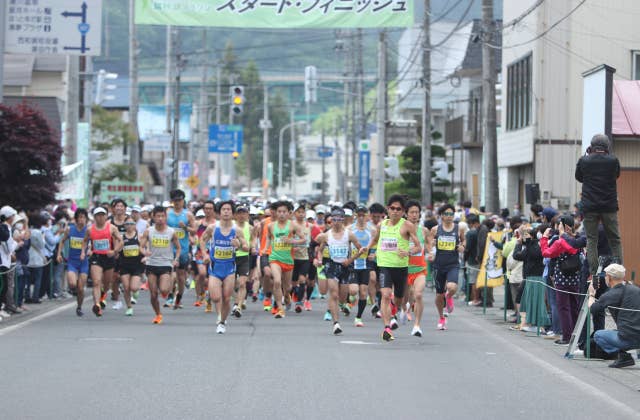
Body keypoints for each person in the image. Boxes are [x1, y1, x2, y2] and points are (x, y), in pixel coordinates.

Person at [367, 195, 420, 341]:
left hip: (401, 267)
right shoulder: (382, 225)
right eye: (392, 208)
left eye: (398, 209)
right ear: (388, 209)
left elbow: (418, 246)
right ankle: (387, 328)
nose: (395, 211)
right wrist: (367, 248)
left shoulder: (407, 225)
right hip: (385, 265)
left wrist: (408, 252)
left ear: (403, 211)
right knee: (385, 294)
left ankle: (393, 308)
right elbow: (376, 239)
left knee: (398, 300)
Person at [575, 134, 623, 280]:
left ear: (592, 145)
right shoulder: (613, 160)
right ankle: (618, 269)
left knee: (591, 239)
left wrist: (586, 155)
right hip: (609, 206)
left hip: (590, 206)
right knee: (614, 239)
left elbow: (579, 177)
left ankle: (594, 272)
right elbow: (617, 175)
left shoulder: (584, 160)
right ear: (607, 146)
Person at [314, 208, 366, 335]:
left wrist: (350, 260)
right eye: (334, 219)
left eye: (339, 219)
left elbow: (361, 249)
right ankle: (336, 323)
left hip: (345, 267)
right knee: (334, 294)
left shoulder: (349, 234)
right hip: (331, 266)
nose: (336, 222)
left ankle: (342, 305)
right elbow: (320, 249)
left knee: (342, 298)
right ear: (331, 220)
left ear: (343, 220)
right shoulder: (326, 235)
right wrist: (319, 259)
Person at [201, 201, 248, 333]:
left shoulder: (236, 230)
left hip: (230, 269)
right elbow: (202, 240)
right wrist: (204, 254)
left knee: (227, 297)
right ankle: (220, 316)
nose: (226, 211)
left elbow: (246, 246)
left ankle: (222, 322)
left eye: (228, 209)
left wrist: (238, 244)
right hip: (215, 268)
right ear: (219, 212)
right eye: (223, 209)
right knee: (216, 297)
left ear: (232, 213)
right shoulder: (212, 228)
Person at [540, 215, 586, 345]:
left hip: (562, 278)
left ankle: (567, 336)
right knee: (575, 307)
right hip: (576, 278)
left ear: (564, 226)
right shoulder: (577, 239)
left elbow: (546, 253)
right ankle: (578, 336)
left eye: (559, 224)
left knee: (563, 308)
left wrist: (544, 238)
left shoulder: (560, 241)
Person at [590, 264, 640, 368]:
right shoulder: (636, 289)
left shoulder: (611, 294)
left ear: (609, 277)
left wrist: (591, 294)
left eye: (605, 276)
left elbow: (593, 309)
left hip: (628, 338)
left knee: (598, 335)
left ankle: (623, 356)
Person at [139, 206, 181, 324]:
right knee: (153, 294)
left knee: (164, 290)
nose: (160, 219)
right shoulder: (149, 231)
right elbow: (141, 246)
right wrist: (144, 253)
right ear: (153, 217)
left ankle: (172, 285)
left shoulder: (171, 232)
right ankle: (158, 314)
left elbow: (178, 248)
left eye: (163, 216)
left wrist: (176, 259)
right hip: (152, 263)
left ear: (166, 217)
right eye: (158, 216)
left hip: (166, 263)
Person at [266, 201, 307, 318]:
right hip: (274, 258)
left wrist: (292, 241)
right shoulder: (271, 226)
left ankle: (287, 295)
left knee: (287, 287)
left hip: (288, 259)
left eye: (284, 212)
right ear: (275, 212)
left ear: (289, 213)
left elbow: (304, 240)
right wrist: (265, 248)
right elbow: (269, 237)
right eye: (279, 211)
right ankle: (280, 308)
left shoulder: (293, 225)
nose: (281, 214)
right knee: (277, 282)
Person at [81, 207, 123, 317]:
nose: (100, 217)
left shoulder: (112, 228)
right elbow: (85, 241)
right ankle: (97, 305)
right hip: (96, 257)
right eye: (98, 215)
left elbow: (120, 241)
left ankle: (103, 294)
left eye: (102, 215)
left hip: (108, 257)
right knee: (96, 282)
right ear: (94, 217)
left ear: (105, 216)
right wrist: (83, 252)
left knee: (107, 283)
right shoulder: (90, 230)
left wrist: (114, 251)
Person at [430, 203, 466, 330]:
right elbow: (429, 244)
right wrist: (432, 246)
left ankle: (449, 296)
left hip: (453, 264)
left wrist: (462, 247)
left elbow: (463, 240)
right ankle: (441, 318)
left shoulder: (458, 228)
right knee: (439, 295)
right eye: (446, 214)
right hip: (439, 265)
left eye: (451, 214)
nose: (449, 216)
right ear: (441, 216)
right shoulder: (435, 229)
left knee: (451, 287)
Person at [166, 189, 196, 310]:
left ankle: (179, 295)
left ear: (183, 201)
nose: (178, 202)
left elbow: (195, 231)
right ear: (172, 201)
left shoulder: (188, 215)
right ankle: (170, 294)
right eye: (175, 200)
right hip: (168, 249)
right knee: (169, 273)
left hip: (183, 250)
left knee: (181, 276)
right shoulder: (167, 213)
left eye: (180, 200)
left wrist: (186, 228)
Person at [57, 208, 90, 316]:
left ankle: (79, 307)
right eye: (79, 217)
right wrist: (59, 254)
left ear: (86, 219)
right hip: (72, 261)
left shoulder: (88, 230)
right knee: (72, 283)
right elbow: (62, 241)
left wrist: (90, 251)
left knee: (81, 288)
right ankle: (75, 291)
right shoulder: (70, 230)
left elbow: (93, 244)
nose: (82, 219)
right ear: (76, 219)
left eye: (84, 217)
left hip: (84, 262)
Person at [349, 205, 376, 328]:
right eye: (358, 215)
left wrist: (374, 254)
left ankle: (358, 317)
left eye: (363, 215)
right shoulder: (350, 229)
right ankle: (350, 298)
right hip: (353, 263)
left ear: (367, 215)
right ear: (355, 215)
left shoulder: (372, 230)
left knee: (363, 293)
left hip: (365, 264)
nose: (360, 217)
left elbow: (378, 244)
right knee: (354, 290)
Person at [406, 200, 430, 337]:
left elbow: (428, 246)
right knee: (405, 298)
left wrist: (431, 252)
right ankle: (405, 309)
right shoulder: (401, 230)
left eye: (416, 212)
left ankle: (417, 325)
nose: (414, 215)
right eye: (412, 212)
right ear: (406, 214)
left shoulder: (423, 231)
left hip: (419, 269)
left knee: (418, 294)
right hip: (404, 269)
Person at [119, 215, 144, 316]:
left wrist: (145, 256)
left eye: (131, 224)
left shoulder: (139, 236)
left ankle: (136, 291)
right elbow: (117, 250)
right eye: (127, 224)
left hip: (137, 265)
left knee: (133, 287)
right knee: (126, 287)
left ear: (135, 225)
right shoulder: (121, 237)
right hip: (124, 265)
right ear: (124, 225)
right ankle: (129, 307)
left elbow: (146, 247)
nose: (129, 226)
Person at [232, 205, 253, 318]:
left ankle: (238, 306)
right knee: (231, 284)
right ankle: (236, 301)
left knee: (242, 283)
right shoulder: (231, 227)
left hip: (244, 257)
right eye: (239, 213)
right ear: (235, 215)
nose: (241, 215)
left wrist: (252, 248)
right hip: (231, 257)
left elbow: (253, 241)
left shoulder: (250, 228)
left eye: (244, 213)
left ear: (247, 215)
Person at [291, 204, 312, 313]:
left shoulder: (310, 226)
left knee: (303, 279)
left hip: (305, 257)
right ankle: (294, 293)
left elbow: (318, 238)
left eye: (303, 212)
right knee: (293, 282)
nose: (301, 214)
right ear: (294, 213)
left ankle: (299, 303)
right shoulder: (291, 225)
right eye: (298, 212)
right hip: (292, 258)